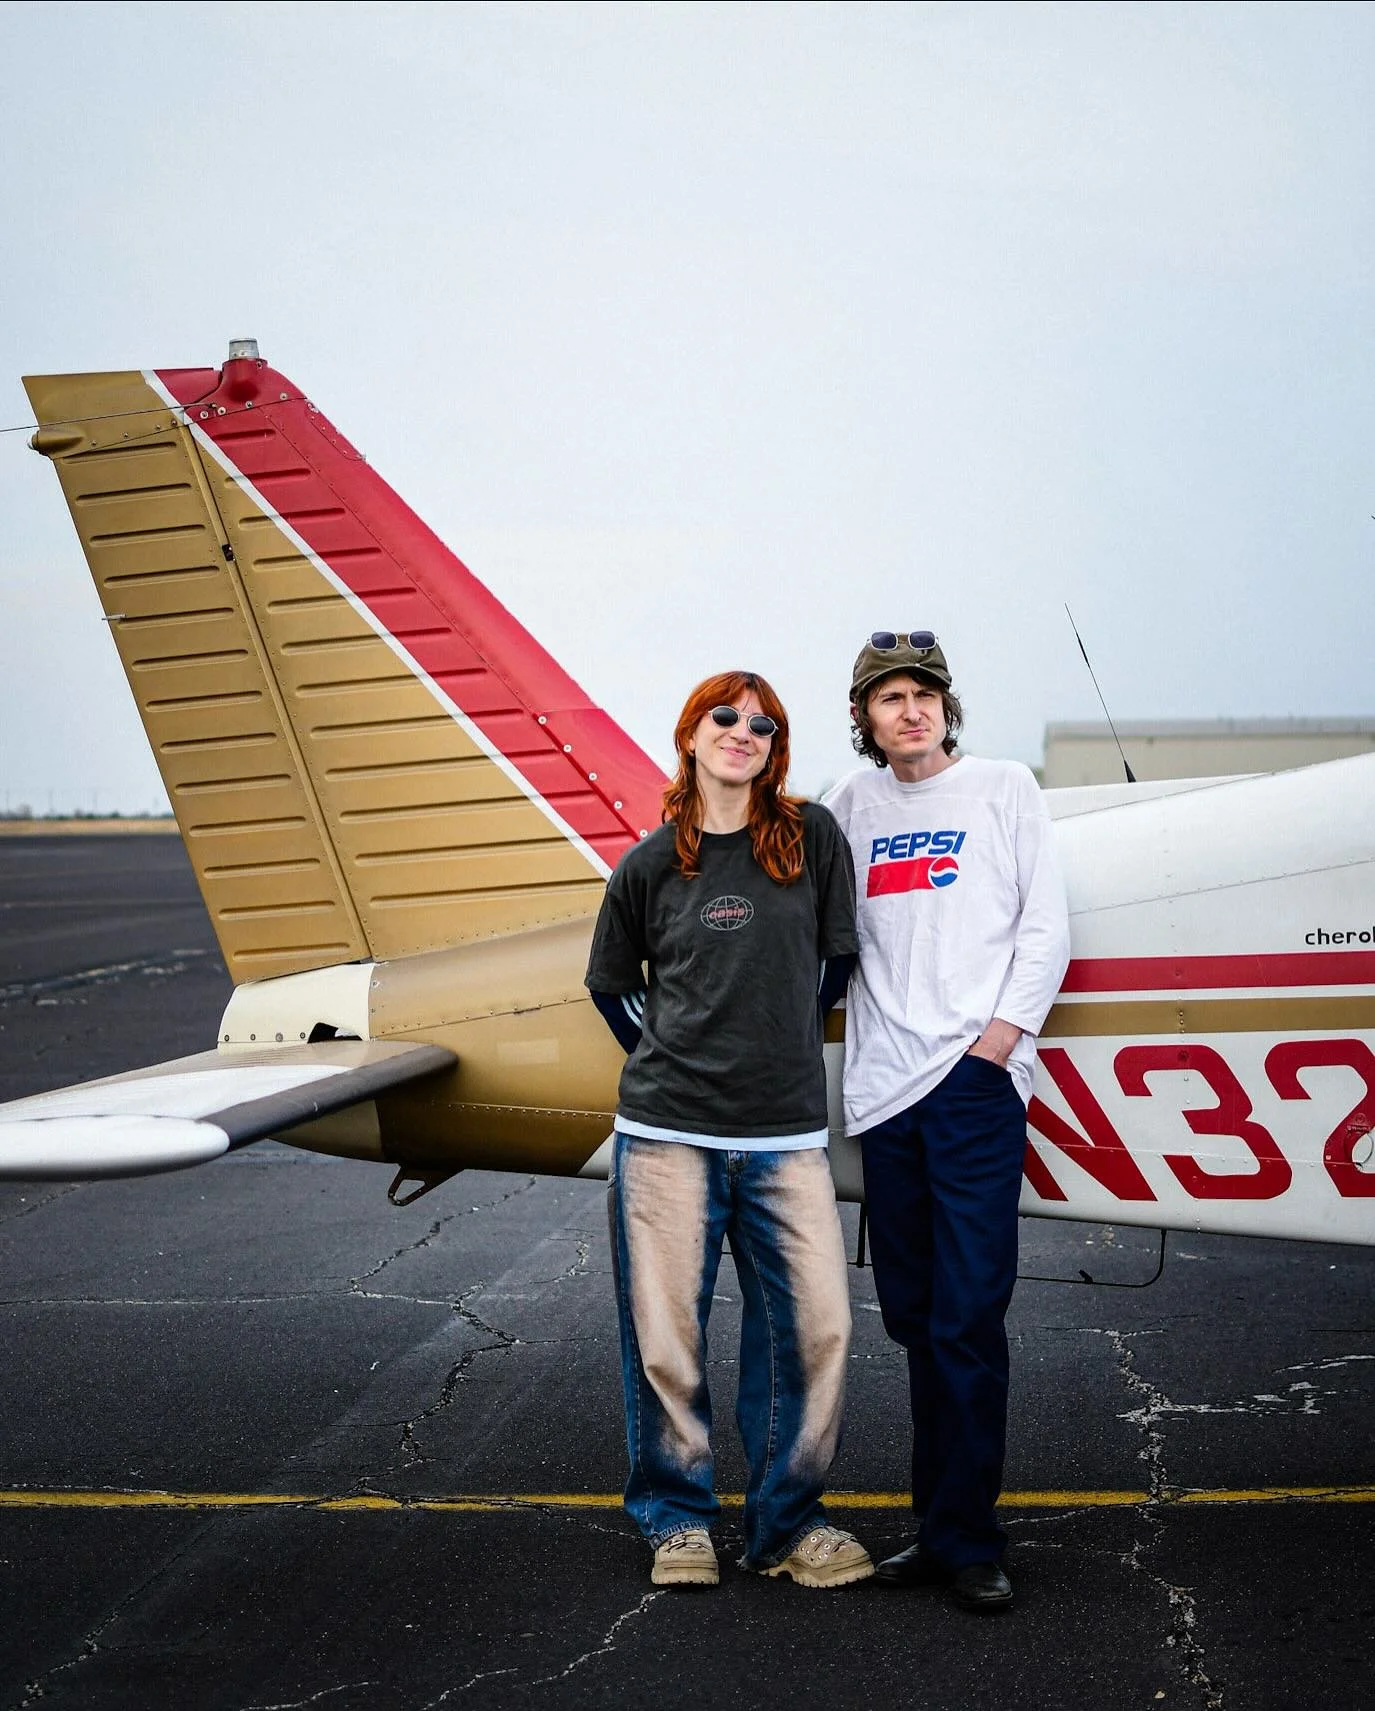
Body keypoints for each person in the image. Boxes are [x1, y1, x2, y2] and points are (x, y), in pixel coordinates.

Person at [584, 669, 873, 1590]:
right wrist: (676, 1057)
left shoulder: (809, 838)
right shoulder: (647, 864)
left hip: (785, 1137)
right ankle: (677, 1520)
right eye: (724, 717)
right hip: (666, 1135)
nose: (741, 731)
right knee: (666, 1338)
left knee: (816, 1329)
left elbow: (833, 971)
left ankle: (786, 1524)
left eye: (761, 723)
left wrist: (772, 1045)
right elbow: (611, 985)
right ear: (691, 733)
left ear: (773, 745)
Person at [823, 631, 1070, 1612]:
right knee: (918, 1322)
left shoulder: (1003, 788)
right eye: (888, 698)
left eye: (924, 693)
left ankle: (970, 1542)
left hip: (971, 1088)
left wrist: (996, 1044)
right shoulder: (848, 807)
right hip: (884, 1096)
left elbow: (1045, 928)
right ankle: (937, 1530)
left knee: (968, 1319)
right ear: (865, 718)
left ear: (946, 706)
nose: (910, 709)